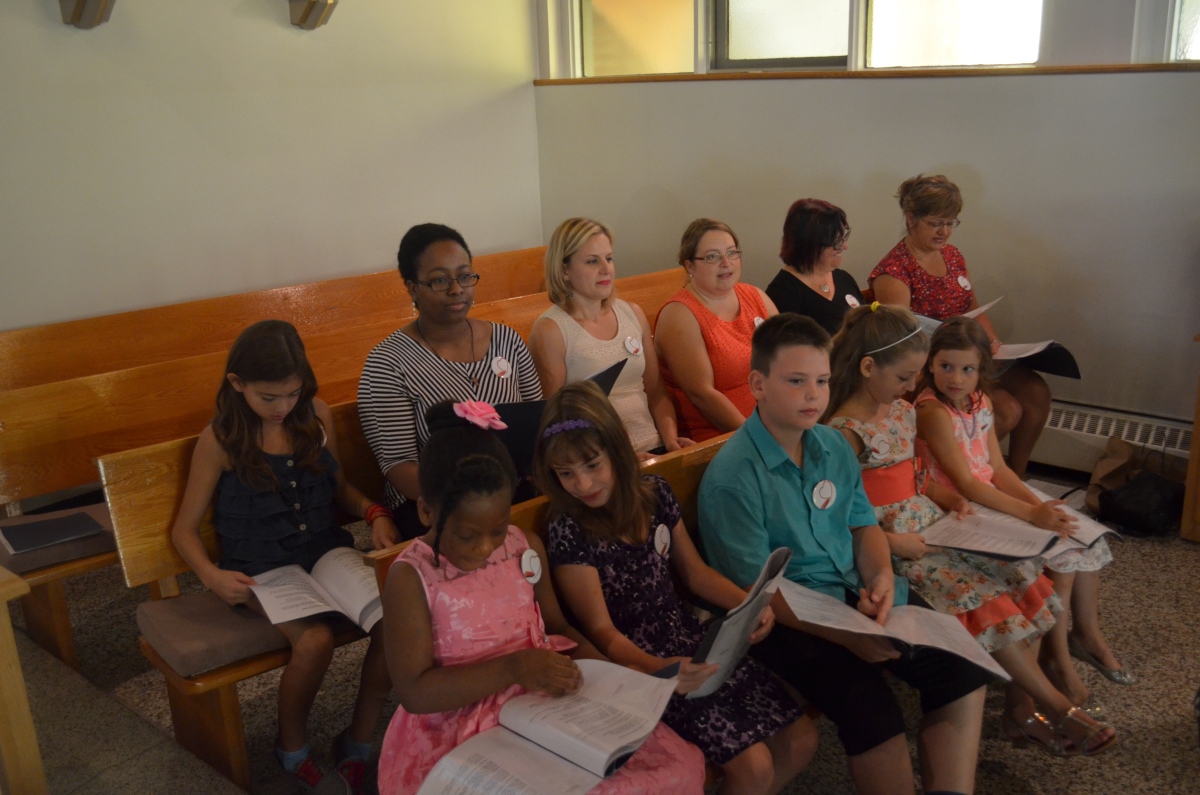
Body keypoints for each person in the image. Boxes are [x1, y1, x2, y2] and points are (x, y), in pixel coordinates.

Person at [699, 313, 991, 795]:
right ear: (758, 384)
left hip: (852, 592)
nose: (813, 395)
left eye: (822, 381)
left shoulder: (832, 444)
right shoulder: (734, 477)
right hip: (785, 618)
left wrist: (880, 577)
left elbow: (862, 525)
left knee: (961, 667)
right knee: (871, 710)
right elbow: (758, 592)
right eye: (796, 381)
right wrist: (848, 636)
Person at [825, 304, 1117, 757]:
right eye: (905, 377)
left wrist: (944, 497)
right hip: (891, 541)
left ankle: (1020, 710)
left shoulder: (898, 411)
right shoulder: (842, 432)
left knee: (1022, 577)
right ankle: (1058, 707)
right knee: (981, 597)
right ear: (867, 368)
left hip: (930, 522)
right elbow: (837, 514)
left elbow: (914, 476)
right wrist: (893, 541)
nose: (912, 386)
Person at [377, 400, 706, 795]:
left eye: (498, 528)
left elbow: (557, 626)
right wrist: (513, 669)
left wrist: (615, 679)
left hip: (542, 700)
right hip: (460, 723)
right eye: (466, 535)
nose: (485, 548)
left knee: (678, 766)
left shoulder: (523, 546)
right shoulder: (412, 577)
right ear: (426, 512)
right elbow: (414, 692)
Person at [535, 381, 817, 795]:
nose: (582, 483)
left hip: (691, 640)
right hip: (639, 665)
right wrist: (659, 668)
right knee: (754, 767)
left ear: (616, 448)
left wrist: (750, 603)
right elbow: (601, 631)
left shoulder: (655, 494)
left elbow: (695, 573)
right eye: (566, 474)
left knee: (802, 739)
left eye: (592, 465)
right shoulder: (569, 528)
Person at [171, 320, 396, 794]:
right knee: (313, 641)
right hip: (261, 566)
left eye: (292, 394)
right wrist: (211, 576)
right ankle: (291, 748)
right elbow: (183, 530)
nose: (282, 407)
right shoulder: (220, 440)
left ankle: (357, 742)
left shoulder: (315, 416)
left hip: (324, 550)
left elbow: (339, 488)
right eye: (268, 397)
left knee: (395, 623)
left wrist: (373, 512)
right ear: (237, 384)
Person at [914, 317, 1133, 730]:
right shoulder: (932, 411)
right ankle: (1055, 666)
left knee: (1072, 538)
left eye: (967, 369)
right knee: (1049, 558)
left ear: (982, 370)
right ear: (930, 364)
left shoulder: (981, 402)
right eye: (945, 366)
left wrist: (1041, 506)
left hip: (986, 492)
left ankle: (1065, 650)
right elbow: (966, 484)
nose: (956, 378)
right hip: (958, 505)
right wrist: (1032, 515)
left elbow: (996, 468)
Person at [359, 223, 543, 539]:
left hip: (513, 490)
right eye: (440, 280)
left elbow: (537, 423)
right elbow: (399, 466)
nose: (457, 289)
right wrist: (471, 505)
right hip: (434, 505)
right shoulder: (387, 363)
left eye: (465, 276)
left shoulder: (507, 340)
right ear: (412, 288)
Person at [868, 174, 1051, 478]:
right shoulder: (894, 270)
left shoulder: (952, 256)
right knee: (1006, 409)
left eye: (950, 222)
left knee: (1036, 391)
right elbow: (900, 342)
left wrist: (993, 345)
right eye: (935, 223)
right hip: (932, 367)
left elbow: (971, 309)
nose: (944, 231)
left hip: (966, 356)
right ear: (911, 218)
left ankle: (1015, 476)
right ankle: (964, 475)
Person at [529, 217, 690, 455]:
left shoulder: (632, 313)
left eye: (609, 258)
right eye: (592, 261)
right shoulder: (551, 330)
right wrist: (620, 459)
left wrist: (671, 441)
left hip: (654, 447)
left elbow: (656, 392)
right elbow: (554, 422)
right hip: (599, 458)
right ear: (564, 270)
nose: (606, 269)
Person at [655, 218, 779, 442]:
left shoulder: (755, 296)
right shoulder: (679, 314)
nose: (726, 263)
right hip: (722, 437)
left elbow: (790, 358)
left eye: (732, 253)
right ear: (690, 266)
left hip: (775, 421)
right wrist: (761, 438)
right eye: (713, 256)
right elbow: (702, 395)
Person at [766, 198, 864, 335]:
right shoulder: (783, 293)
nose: (845, 246)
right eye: (836, 242)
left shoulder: (843, 278)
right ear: (809, 245)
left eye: (844, 237)